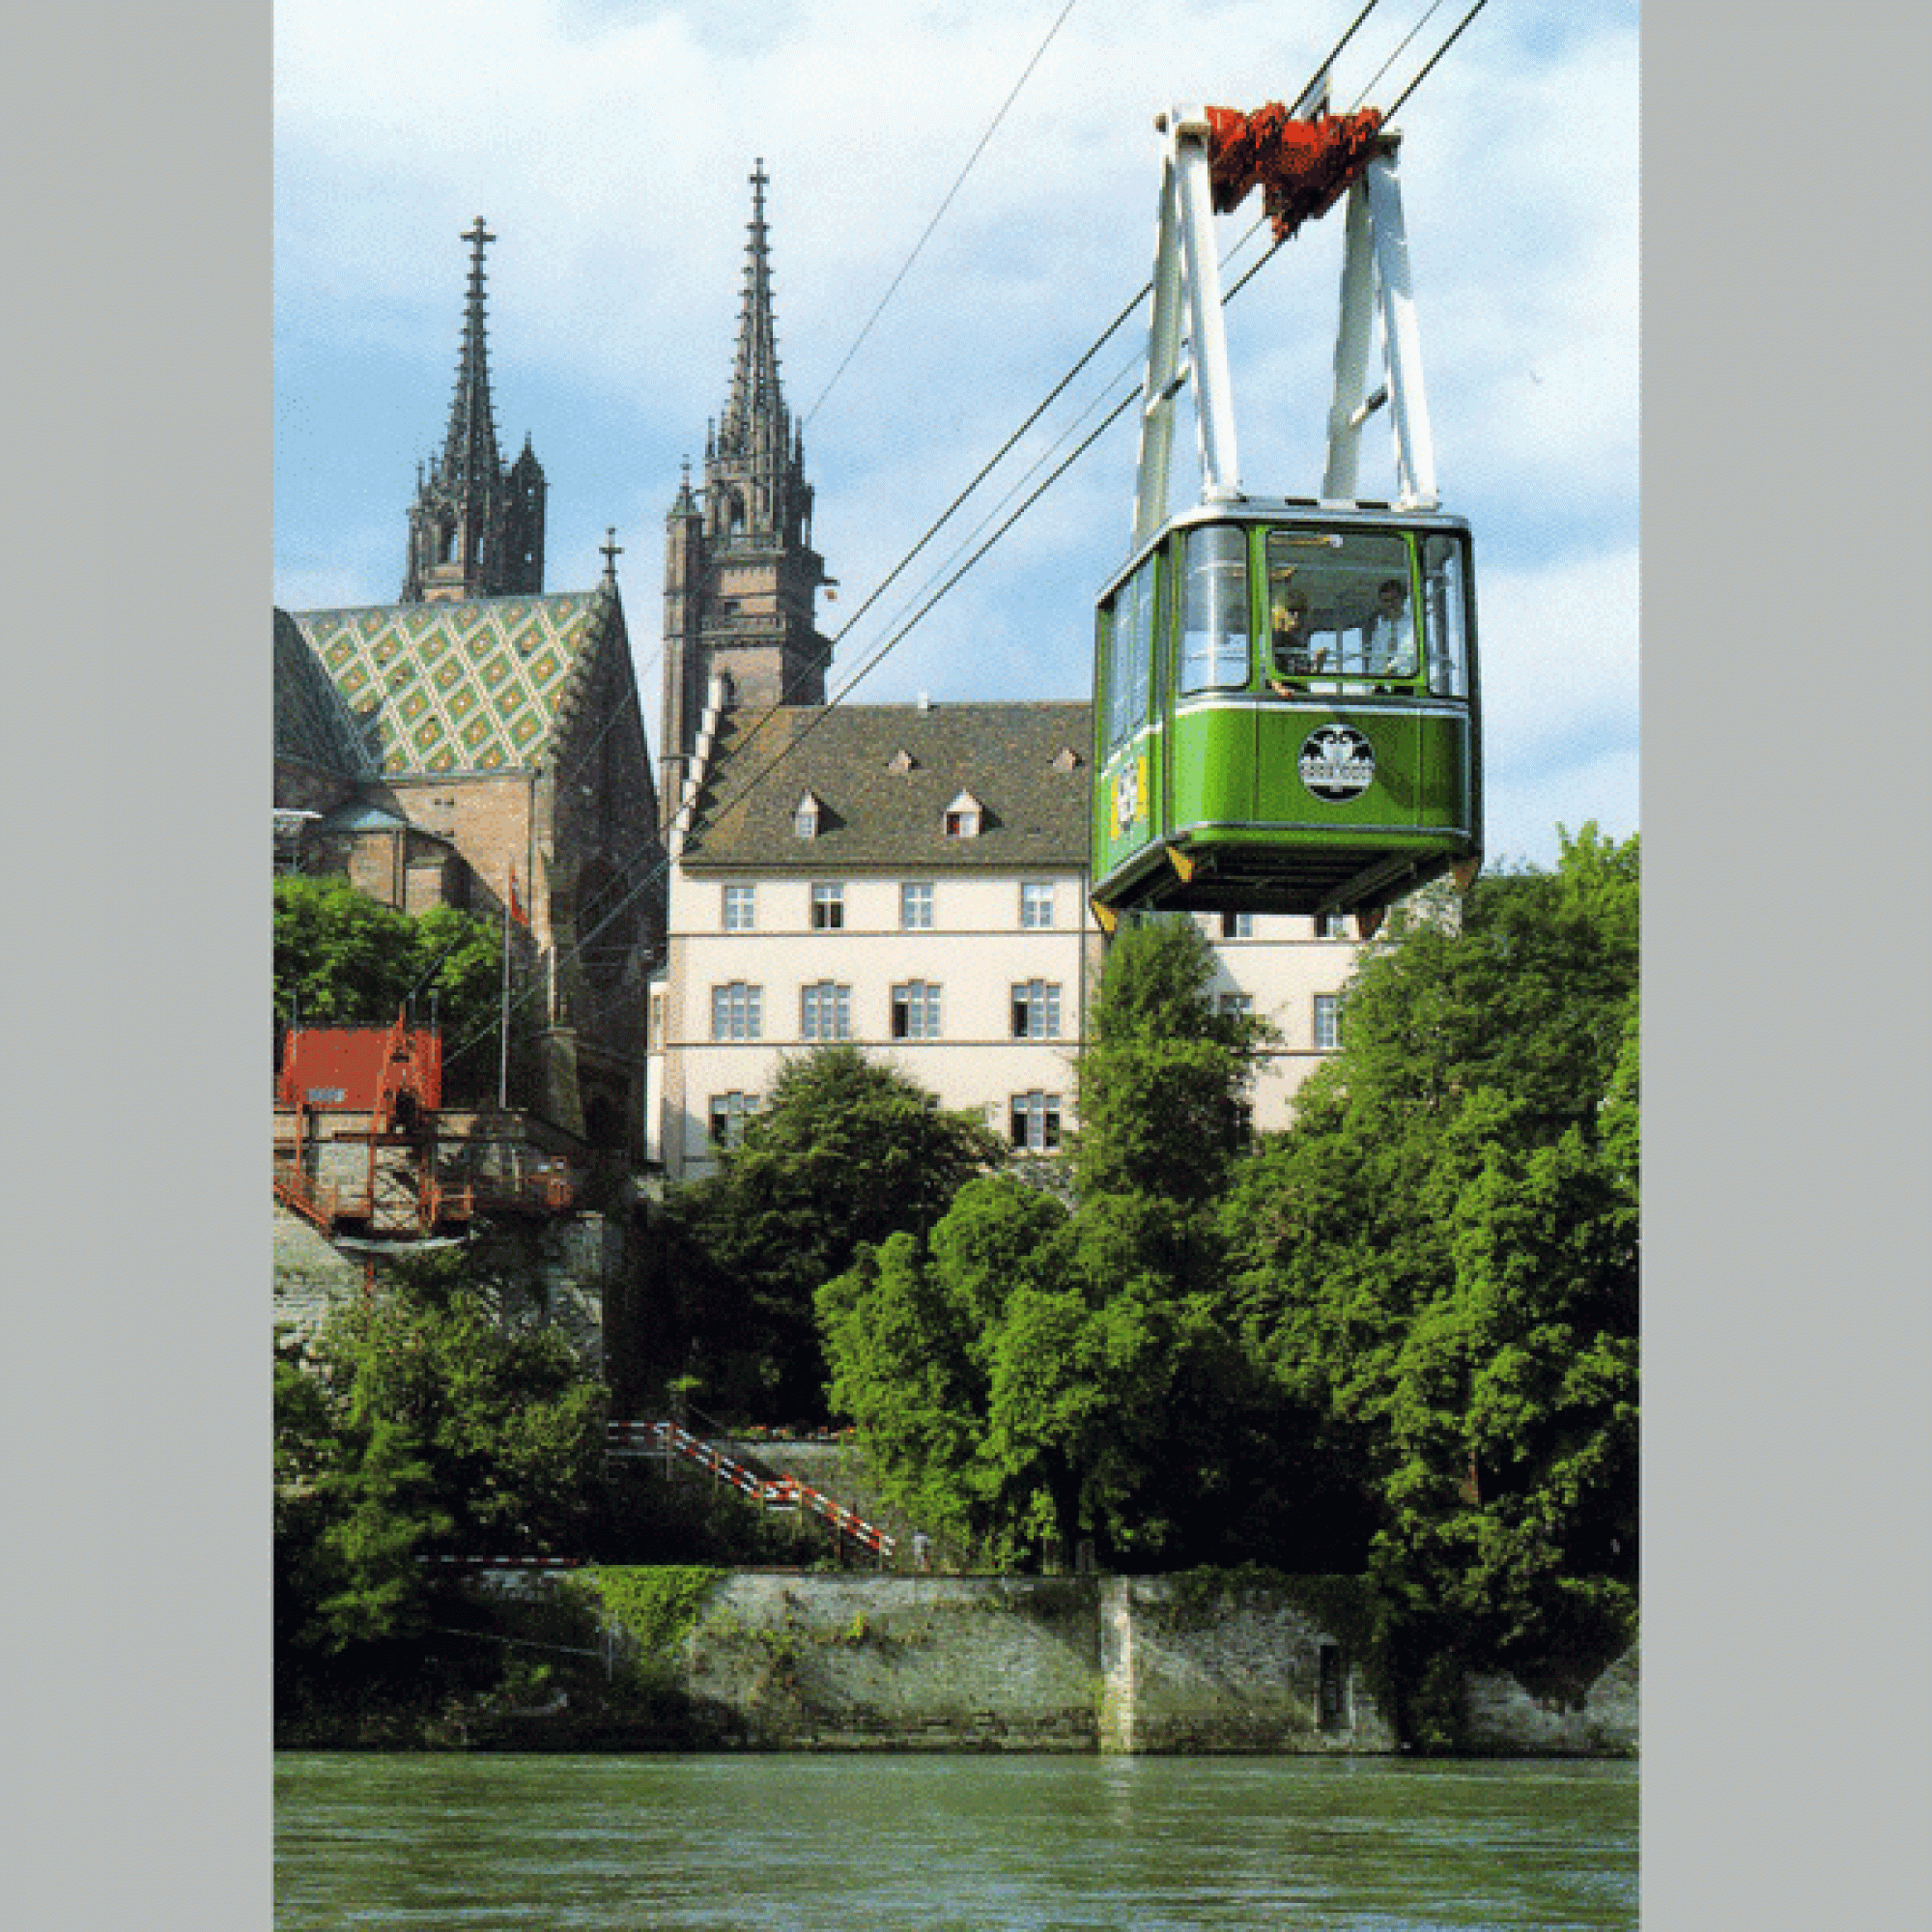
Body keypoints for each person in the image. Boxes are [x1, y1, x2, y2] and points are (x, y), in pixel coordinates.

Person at [1267, 581, 1326, 693]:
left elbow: (1305, 677)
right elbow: (1270, 669)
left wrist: (1318, 662)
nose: (1296, 615)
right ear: (1280, 613)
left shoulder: (1299, 644)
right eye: (1291, 610)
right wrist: (1279, 689)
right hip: (1280, 699)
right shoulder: (1275, 638)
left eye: (1300, 611)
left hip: (1299, 695)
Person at [1363, 578, 1415, 677]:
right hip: (1383, 683)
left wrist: (1392, 667)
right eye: (1386, 600)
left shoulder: (1413, 625)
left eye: (1394, 599)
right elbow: (1375, 658)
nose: (1390, 604)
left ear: (1402, 599)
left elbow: (1412, 655)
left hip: (1408, 682)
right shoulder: (1379, 628)